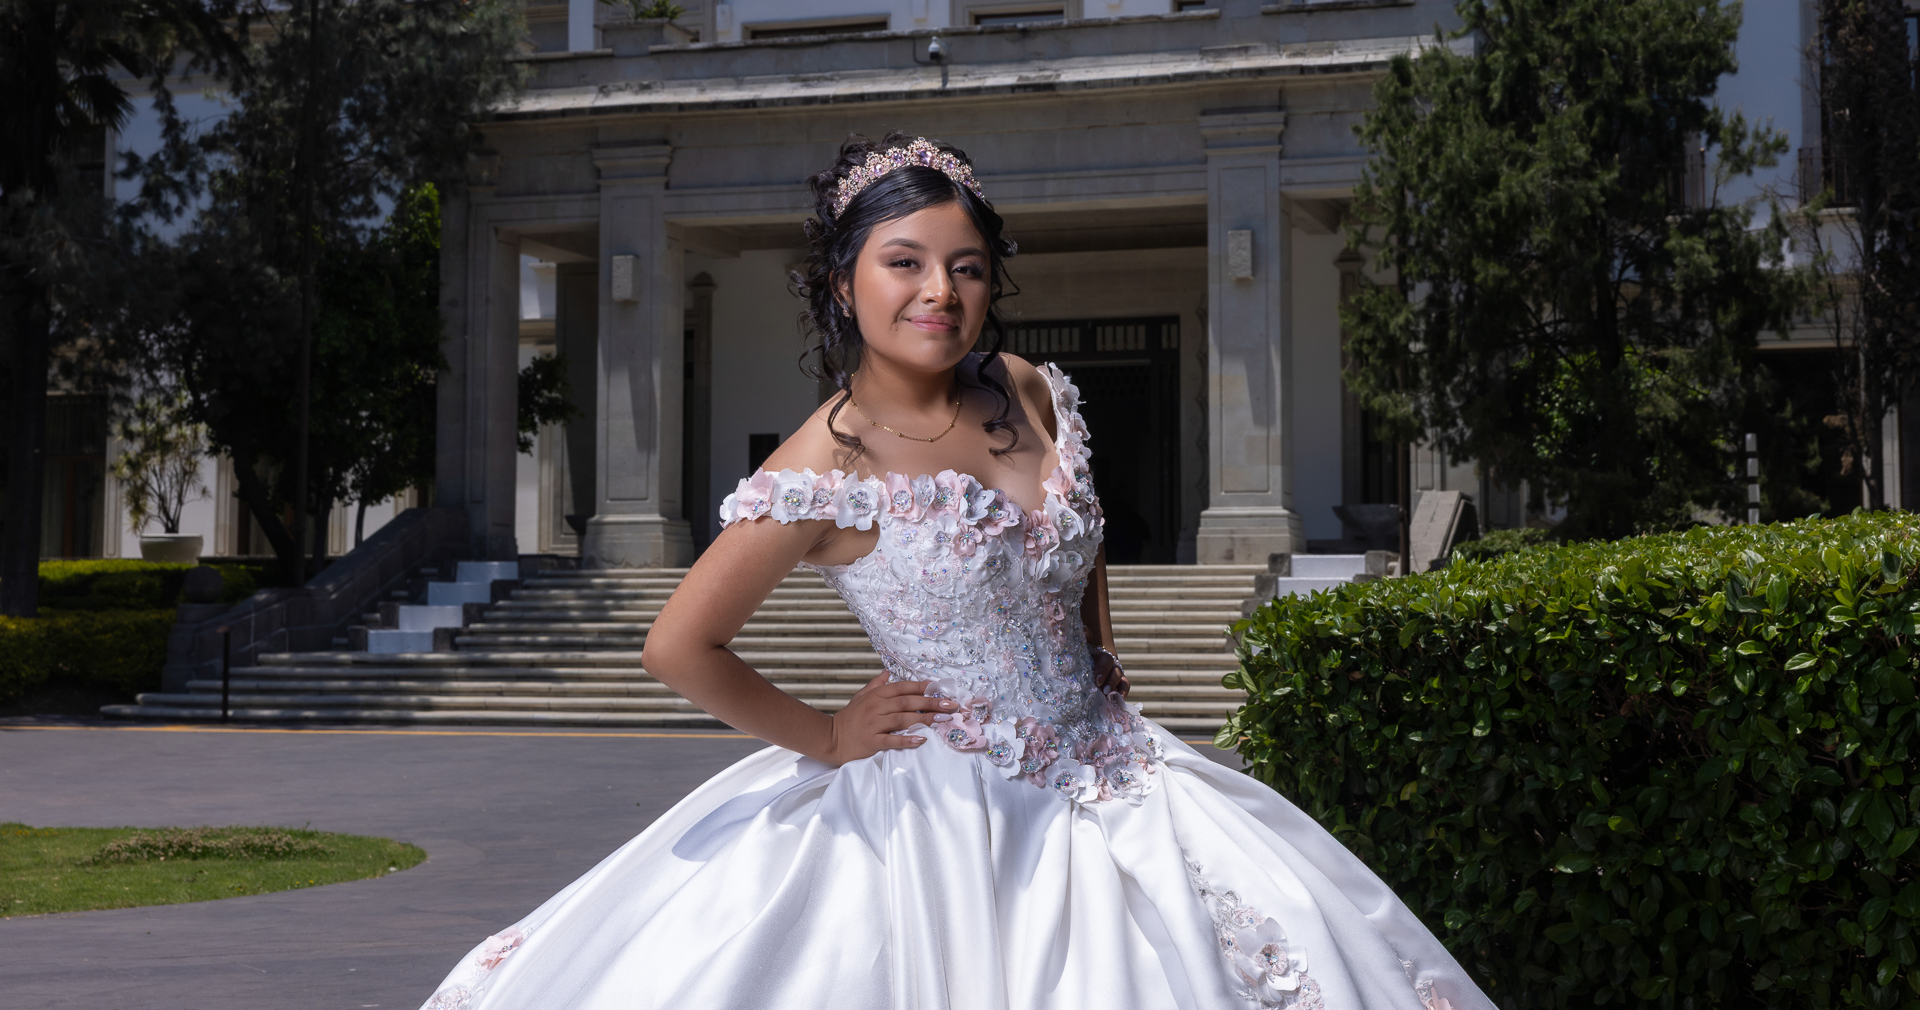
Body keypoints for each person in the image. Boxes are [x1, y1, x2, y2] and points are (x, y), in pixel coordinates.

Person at [416, 133, 1493, 1010]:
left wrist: (1100, 648)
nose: (941, 291)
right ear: (843, 282)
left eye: (967, 268)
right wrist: (830, 734)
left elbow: (1082, 527)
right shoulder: (825, 461)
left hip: (1116, 764)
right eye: (907, 263)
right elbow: (678, 646)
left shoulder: (1022, 389)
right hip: (948, 811)